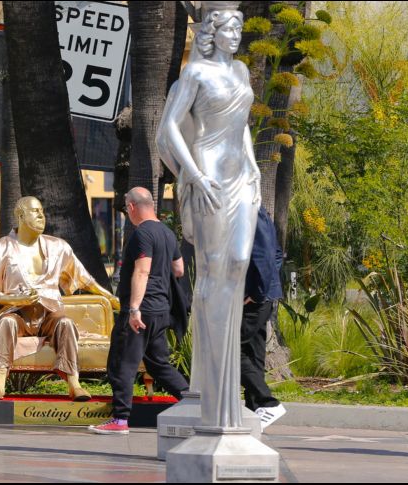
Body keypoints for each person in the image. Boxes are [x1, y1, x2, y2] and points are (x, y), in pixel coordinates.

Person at [155, 1, 261, 428]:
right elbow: (167, 130)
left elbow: (242, 125)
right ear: (211, 32)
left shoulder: (241, 74)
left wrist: (252, 164)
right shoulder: (194, 74)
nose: (236, 35)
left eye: (239, 28)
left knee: (236, 266)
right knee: (217, 273)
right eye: (228, 28)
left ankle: (223, 386)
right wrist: (192, 176)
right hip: (210, 181)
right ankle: (217, 393)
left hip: (242, 181)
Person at [0, 196, 120, 401]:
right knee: (6, 323)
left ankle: (74, 383)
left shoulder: (58, 247)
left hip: (50, 312)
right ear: (20, 215)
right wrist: (14, 300)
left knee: (67, 323)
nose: (42, 215)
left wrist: (111, 298)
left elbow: (84, 279)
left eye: (42, 211)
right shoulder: (2, 247)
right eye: (35, 211)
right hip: (17, 315)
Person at [89, 187, 189, 435]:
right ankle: (194, 402)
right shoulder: (166, 233)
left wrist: (134, 309)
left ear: (132, 207)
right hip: (160, 309)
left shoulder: (141, 233)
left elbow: (142, 271)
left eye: (126, 207)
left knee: (122, 362)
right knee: (158, 365)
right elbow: (179, 269)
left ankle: (120, 420)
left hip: (141, 311)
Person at [242, 207, 286, 429]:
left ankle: (267, 402)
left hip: (255, 298)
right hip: (259, 296)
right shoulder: (258, 213)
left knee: (229, 351)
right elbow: (276, 254)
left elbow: (267, 256)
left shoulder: (251, 212)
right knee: (252, 353)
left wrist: (256, 292)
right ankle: (254, 410)